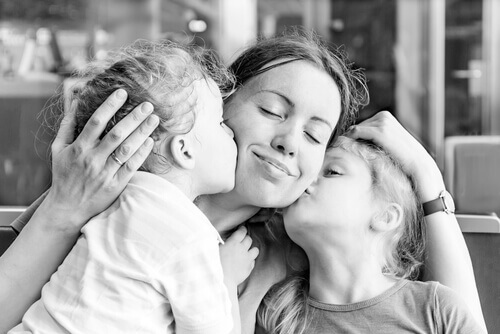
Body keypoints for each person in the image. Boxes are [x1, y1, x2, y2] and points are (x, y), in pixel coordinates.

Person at [0, 29, 486, 333]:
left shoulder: (288, 251)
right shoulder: (114, 183)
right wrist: (64, 209)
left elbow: (452, 317)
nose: (290, 141)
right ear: (217, 107)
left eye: (316, 137)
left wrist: (427, 180)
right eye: (273, 110)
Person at [8, 39, 257, 334]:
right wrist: (225, 277)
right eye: (219, 121)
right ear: (184, 150)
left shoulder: (105, 195)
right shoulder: (191, 235)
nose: (230, 131)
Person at [257, 136, 486, 333]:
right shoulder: (274, 316)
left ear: (385, 217)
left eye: (332, 172)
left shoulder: (435, 307)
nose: (306, 180)